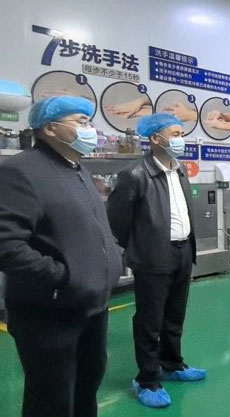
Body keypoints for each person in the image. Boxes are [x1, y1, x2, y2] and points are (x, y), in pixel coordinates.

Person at [0, 96, 124, 417]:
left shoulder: (76, 169)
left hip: (92, 308)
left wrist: (112, 258)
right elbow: (7, 245)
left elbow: (92, 227)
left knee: (86, 391)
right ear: (50, 128)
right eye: (81, 121)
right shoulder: (20, 171)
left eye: (89, 121)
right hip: (49, 314)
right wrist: (64, 279)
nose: (90, 128)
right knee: (51, 401)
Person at [107, 113, 205, 408]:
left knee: (175, 313)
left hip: (183, 251)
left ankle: (172, 363)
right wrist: (141, 246)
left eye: (181, 133)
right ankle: (148, 379)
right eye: (175, 134)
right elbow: (117, 219)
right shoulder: (136, 174)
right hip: (152, 256)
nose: (181, 139)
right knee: (149, 320)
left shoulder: (180, 170)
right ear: (155, 138)